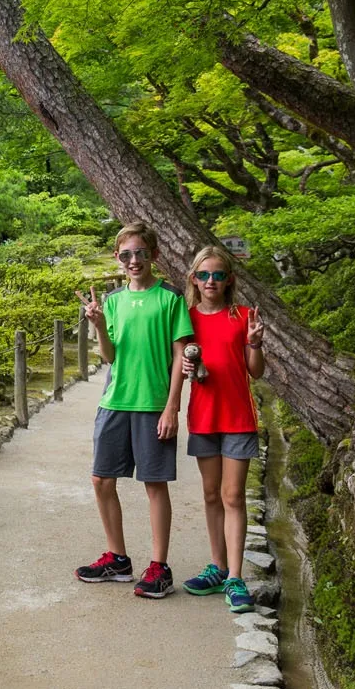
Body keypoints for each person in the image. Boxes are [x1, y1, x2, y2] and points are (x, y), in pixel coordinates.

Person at [75, 222, 192, 599]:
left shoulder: (170, 299)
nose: (134, 260)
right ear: (118, 259)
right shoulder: (112, 301)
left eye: (141, 252)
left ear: (154, 256)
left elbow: (180, 355)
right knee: (101, 480)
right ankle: (118, 559)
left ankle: (160, 566)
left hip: (154, 403)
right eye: (126, 254)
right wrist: (97, 326)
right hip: (115, 400)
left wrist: (173, 407)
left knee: (153, 484)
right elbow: (109, 356)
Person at [179, 245, 264, 613]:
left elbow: (256, 370)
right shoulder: (185, 319)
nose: (210, 281)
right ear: (193, 279)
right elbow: (179, 364)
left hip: (238, 417)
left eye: (217, 275)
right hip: (203, 417)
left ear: (229, 279)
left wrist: (256, 344)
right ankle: (217, 567)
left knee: (233, 496)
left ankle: (235, 576)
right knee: (211, 495)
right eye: (203, 275)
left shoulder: (243, 316)